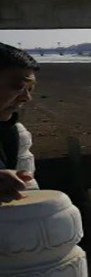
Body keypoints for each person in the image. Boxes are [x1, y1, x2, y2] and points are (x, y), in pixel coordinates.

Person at [0, 42, 39, 204]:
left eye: (30, 89)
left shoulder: (16, 134)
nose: (26, 98)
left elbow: (29, 194)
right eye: (18, 86)